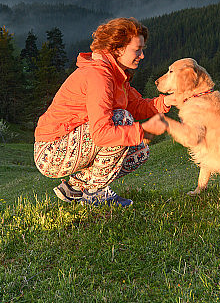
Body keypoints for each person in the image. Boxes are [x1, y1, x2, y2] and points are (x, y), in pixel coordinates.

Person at [34, 17, 169, 207]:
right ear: (117, 48)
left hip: (69, 144)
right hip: (51, 151)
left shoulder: (116, 74)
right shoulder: (100, 76)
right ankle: (95, 194)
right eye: (137, 50)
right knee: (122, 121)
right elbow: (102, 134)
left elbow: (136, 106)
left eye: (142, 49)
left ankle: (75, 188)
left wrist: (168, 101)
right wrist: (143, 130)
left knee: (139, 151)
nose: (142, 55)